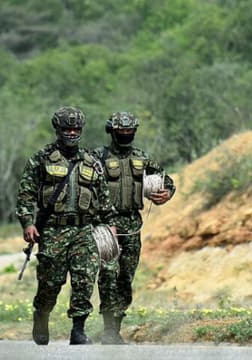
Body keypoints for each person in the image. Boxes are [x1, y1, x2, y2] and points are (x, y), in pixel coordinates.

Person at [16, 106, 118, 345]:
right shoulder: (41, 159)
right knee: (51, 282)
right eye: (67, 128)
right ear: (57, 129)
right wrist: (28, 223)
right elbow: (25, 195)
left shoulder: (91, 162)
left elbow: (103, 198)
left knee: (84, 278)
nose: (72, 133)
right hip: (53, 230)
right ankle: (41, 315)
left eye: (76, 128)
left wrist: (110, 225)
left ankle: (78, 330)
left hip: (84, 230)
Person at [93, 111, 175, 344]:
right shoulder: (97, 157)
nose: (126, 135)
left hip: (131, 225)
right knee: (108, 274)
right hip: (105, 225)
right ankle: (108, 328)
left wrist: (166, 193)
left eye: (130, 131)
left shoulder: (142, 157)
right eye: (122, 131)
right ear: (112, 131)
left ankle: (114, 327)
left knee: (125, 277)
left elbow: (167, 182)